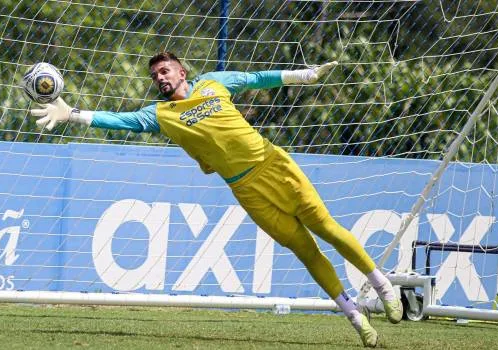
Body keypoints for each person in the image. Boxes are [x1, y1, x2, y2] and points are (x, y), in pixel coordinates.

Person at [30, 52, 402, 347]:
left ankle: (383, 288)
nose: (160, 77)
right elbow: (120, 119)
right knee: (305, 251)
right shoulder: (159, 114)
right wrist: (71, 114)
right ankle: (356, 318)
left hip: (274, 165)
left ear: (182, 71)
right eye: (155, 75)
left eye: (165, 70)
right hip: (244, 188)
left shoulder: (213, 83)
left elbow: (256, 79)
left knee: (327, 229)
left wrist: (303, 76)